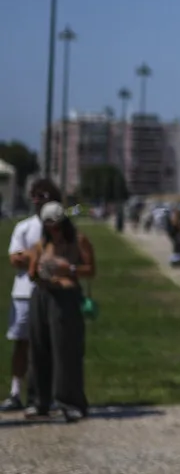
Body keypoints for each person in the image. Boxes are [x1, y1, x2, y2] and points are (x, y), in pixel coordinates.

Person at [26, 201, 95, 421]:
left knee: (66, 350)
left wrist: (70, 268)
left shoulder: (79, 241)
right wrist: (37, 269)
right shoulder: (41, 244)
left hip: (66, 297)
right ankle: (40, 401)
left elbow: (91, 269)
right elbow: (31, 273)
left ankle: (70, 401)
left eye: (56, 226)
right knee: (38, 348)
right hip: (43, 296)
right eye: (48, 226)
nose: (52, 230)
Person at [3, 179, 60, 412]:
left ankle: (50, 394)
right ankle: (15, 392)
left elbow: (67, 254)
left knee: (51, 345)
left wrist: (31, 256)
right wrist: (40, 255)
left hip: (53, 291)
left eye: (42, 195)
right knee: (21, 343)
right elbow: (14, 259)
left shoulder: (60, 227)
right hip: (25, 293)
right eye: (34, 195)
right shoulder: (24, 227)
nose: (36, 199)